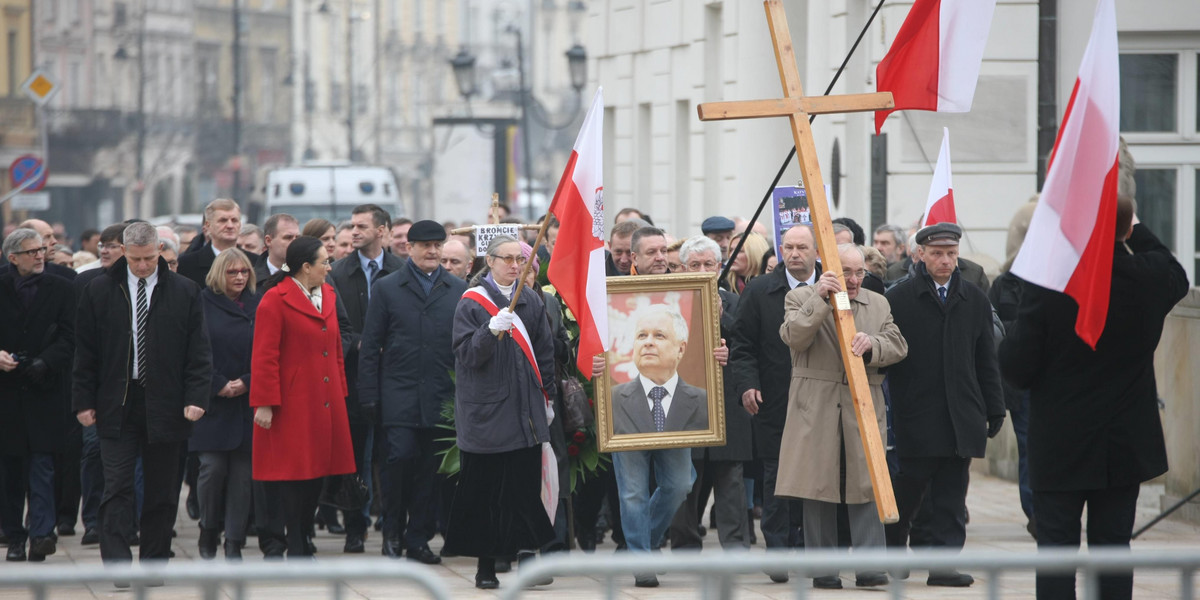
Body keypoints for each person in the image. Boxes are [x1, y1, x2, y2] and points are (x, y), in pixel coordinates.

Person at [1000, 203, 1188, 598]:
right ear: (1125, 230)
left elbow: (1016, 367)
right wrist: (1134, 227)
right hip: (1124, 440)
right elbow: (1176, 272)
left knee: (1055, 550)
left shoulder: (1050, 283)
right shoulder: (1148, 278)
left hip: (1061, 441)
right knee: (1114, 549)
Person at [73, 222, 211, 577]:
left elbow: (199, 352)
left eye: (150, 258)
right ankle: (117, 564)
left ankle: (153, 561)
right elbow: (85, 353)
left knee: (162, 489)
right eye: (135, 259)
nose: (143, 266)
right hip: (116, 401)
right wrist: (83, 401)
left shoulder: (184, 291)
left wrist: (196, 397)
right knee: (116, 485)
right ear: (123, 252)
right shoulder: (99, 290)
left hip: (166, 401)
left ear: (160, 251)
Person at [778, 243, 908, 589]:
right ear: (828, 269)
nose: (853, 280)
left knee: (867, 483)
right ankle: (823, 569)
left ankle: (870, 567)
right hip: (815, 403)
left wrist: (872, 345)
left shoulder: (878, 302)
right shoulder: (801, 296)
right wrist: (820, 299)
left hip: (862, 399)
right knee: (817, 483)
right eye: (846, 272)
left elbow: (898, 344)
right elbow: (793, 336)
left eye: (859, 273)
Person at [884, 222, 1005, 588]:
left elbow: (986, 359)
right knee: (908, 493)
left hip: (960, 415)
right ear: (920, 254)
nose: (945, 261)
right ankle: (892, 552)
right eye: (937, 253)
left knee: (953, 497)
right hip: (916, 415)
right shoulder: (900, 298)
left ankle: (944, 566)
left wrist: (995, 407)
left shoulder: (974, 298)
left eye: (951, 254)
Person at [445, 235, 557, 590]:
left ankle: (525, 560)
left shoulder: (531, 300)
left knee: (523, 492)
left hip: (525, 412)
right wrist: (488, 331)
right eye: (506, 259)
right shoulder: (472, 303)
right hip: (487, 415)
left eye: (519, 260)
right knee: (486, 493)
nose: (514, 265)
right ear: (488, 262)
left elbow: (545, 353)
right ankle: (486, 566)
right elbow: (466, 356)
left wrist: (548, 398)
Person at [359, 219, 466, 562]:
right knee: (397, 465)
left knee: (429, 474)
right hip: (399, 396)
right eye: (425, 246)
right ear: (411, 248)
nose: (432, 252)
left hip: (440, 397)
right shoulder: (388, 288)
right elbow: (371, 344)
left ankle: (418, 539)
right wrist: (369, 396)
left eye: (438, 245)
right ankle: (391, 532)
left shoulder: (457, 289)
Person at [250, 236, 356, 558]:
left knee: (318, 474)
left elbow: (336, 349)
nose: (329, 266)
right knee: (293, 476)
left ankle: (301, 538)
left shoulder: (328, 293)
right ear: (305, 267)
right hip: (291, 402)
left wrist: (340, 392)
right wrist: (265, 403)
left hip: (324, 399)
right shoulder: (274, 299)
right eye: (324, 261)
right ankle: (293, 543)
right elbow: (264, 356)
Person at [729, 224, 819, 582]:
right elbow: (743, 345)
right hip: (775, 400)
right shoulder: (760, 290)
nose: (794, 253)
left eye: (802, 247)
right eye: (788, 247)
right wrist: (747, 385)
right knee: (777, 478)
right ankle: (779, 551)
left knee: (817, 478)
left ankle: (814, 549)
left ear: (816, 251)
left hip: (822, 401)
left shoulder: (831, 288)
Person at [325, 204, 404, 554]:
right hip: (353, 378)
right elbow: (332, 326)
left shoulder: (402, 271)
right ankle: (354, 528)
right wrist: (361, 343)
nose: (354, 232)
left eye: (362, 226)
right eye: (352, 226)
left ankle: (391, 530)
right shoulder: (337, 273)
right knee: (353, 457)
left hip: (395, 379)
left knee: (393, 458)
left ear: (382, 231)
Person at [667, 236, 752, 552]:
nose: (702, 270)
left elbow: (746, 344)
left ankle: (735, 546)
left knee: (731, 479)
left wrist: (721, 319)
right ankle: (685, 544)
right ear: (682, 268)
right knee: (684, 479)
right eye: (695, 265)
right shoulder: (669, 302)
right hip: (683, 402)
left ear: (719, 267)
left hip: (726, 403)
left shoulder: (735, 302)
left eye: (708, 264)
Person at [0, 229, 76, 562]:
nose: (40, 256)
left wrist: (47, 361)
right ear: (12, 257)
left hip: (45, 389)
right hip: (6, 394)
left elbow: (71, 335)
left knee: (43, 466)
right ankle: (15, 536)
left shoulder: (62, 287)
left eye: (42, 250)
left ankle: (42, 533)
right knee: (10, 470)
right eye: (32, 252)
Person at [189, 248, 259, 561]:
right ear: (220, 273)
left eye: (244, 272)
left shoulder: (259, 304)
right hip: (213, 400)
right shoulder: (201, 302)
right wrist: (218, 385)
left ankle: (233, 541)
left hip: (248, 401)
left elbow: (270, 351)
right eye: (233, 272)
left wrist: (247, 381)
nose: (240, 277)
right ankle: (208, 528)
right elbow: (193, 351)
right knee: (212, 469)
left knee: (243, 477)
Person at [612, 306, 709, 434]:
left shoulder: (705, 402)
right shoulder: (612, 399)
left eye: (659, 335)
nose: (648, 342)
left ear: (680, 349)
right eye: (642, 335)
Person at [179, 199, 255, 287]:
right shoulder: (187, 264)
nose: (230, 226)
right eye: (223, 220)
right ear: (208, 225)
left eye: (234, 220)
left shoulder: (255, 263)